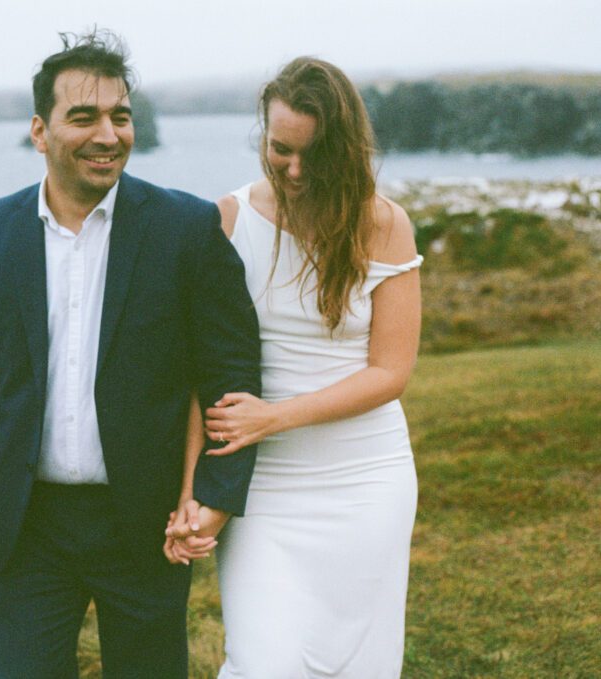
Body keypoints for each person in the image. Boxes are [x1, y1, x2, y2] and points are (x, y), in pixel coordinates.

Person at [0, 30, 261, 678]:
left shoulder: (186, 230)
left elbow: (231, 374)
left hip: (146, 522)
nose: (109, 134)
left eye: (121, 116)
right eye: (84, 117)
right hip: (30, 527)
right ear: (40, 131)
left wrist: (213, 493)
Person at [166, 57, 422, 677]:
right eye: (281, 149)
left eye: (316, 155)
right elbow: (198, 376)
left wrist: (273, 417)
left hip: (367, 481)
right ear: (263, 132)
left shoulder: (383, 225)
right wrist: (189, 493)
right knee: (264, 661)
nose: (296, 170)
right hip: (266, 490)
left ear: (346, 149)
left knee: (360, 663)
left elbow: (390, 372)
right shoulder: (227, 221)